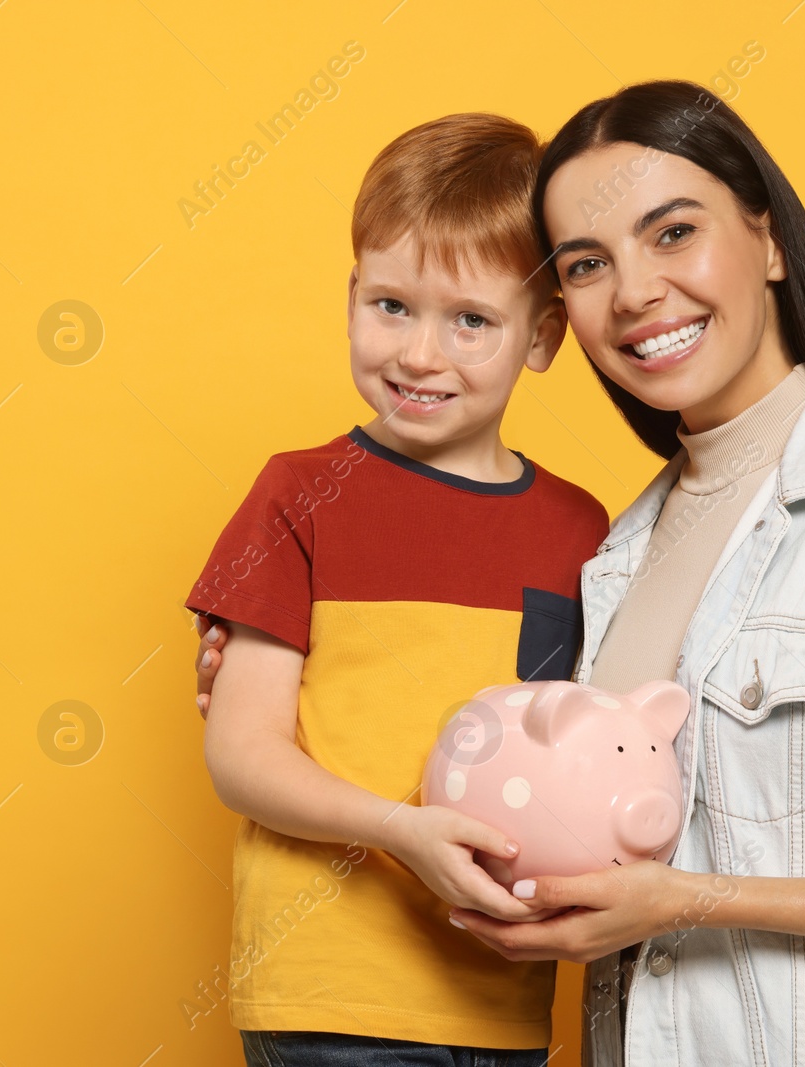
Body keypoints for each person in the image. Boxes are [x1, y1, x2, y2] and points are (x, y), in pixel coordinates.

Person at [198, 82, 805, 1066]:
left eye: (672, 233)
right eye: (590, 262)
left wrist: (684, 901)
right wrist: (287, 666)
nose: (633, 291)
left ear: (767, 241)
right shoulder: (615, 551)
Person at [185, 113, 609, 1067]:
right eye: (391, 305)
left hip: (502, 993)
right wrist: (399, 830)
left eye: (471, 320)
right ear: (350, 296)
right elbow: (242, 753)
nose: (420, 354)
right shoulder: (297, 495)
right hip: (331, 991)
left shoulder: (586, 532)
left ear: (543, 337)